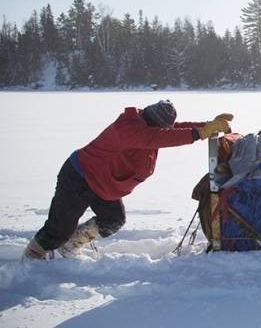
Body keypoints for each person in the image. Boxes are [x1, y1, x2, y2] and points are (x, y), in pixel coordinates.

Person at [23, 100, 234, 260]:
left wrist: (208, 125)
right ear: (151, 123)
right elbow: (160, 137)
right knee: (59, 229)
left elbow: (171, 130)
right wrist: (199, 133)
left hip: (104, 184)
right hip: (80, 177)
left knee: (113, 220)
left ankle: (71, 244)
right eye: (160, 128)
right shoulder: (127, 129)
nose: (162, 131)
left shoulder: (147, 127)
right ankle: (32, 259)